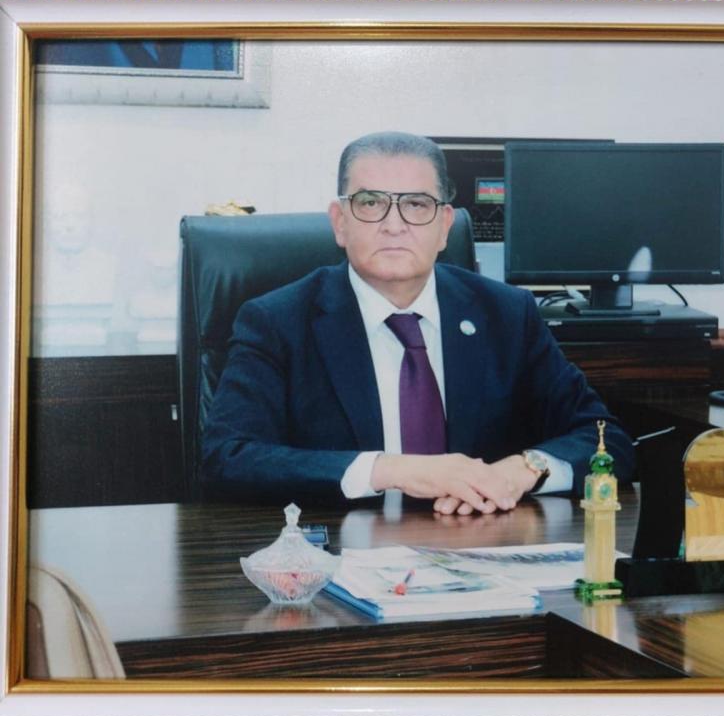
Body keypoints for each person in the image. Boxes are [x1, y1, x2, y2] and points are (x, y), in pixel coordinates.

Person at [202, 131, 634, 515]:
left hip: (482, 549)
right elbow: (228, 458)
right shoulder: (278, 321)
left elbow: (606, 440)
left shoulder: (506, 314)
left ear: (445, 226)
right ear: (340, 223)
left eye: (416, 204)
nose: (394, 225)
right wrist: (393, 470)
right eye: (371, 203)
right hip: (342, 556)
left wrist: (522, 470)